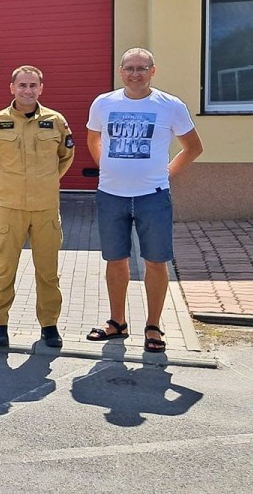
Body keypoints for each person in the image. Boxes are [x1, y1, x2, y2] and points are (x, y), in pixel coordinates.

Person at [86, 48, 202, 353]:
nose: (135, 74)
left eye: (142, 68)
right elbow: (92, 139)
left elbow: (192, 148)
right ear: (120, 71)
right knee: (115, 260)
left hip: (153, 197)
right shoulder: (103, 103)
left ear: (153, 71)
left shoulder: (170, 105)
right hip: (111, 195)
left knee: (155, 261)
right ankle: (117, 322)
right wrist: (107, 167)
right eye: (130, 68)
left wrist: (166, 174)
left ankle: (153, 326)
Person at [0, 65, 74, 348]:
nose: (28, 90)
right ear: (12, 88)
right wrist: (4, 180)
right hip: (9, 207)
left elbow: (66, 155)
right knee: (5, 268)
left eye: (33, 85)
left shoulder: (56, 121)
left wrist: (48, 180)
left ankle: (49, 326)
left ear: (41, 89)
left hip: (45, 208)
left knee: (48, 271)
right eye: (22, 85)